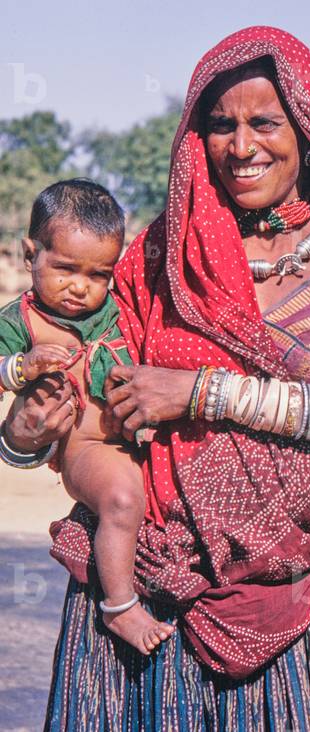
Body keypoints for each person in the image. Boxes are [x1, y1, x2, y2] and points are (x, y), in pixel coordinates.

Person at [1, 26, 310, 730]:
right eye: (221, 125)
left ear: (308, 132)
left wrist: (199, 392)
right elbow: (76, 410)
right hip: (135, 594)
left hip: (286, 600)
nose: (242, 145)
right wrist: (23, 433)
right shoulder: (156, 256)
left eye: (264, 123)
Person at [0, 179, 176, 654]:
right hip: (88, 447)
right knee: (121, 501)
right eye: (63, 269)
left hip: (137, 440)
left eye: (98, 275)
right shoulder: (21, 319)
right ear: (29, 253)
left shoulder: (118, 309)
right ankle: (119, 607)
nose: (80, 287)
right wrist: (22, 367)